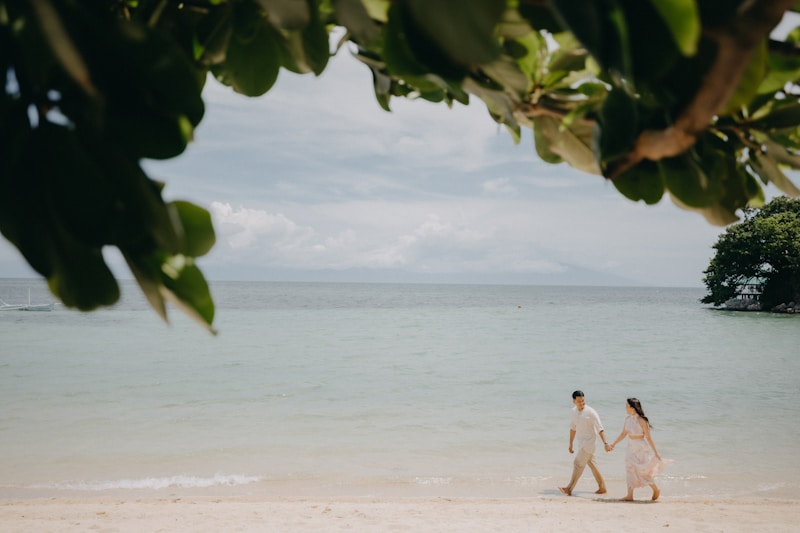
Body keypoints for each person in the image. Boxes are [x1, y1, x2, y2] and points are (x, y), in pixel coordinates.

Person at [607, 397, 666, 501]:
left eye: (627, 406)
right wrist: (613, 444)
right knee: (629, 469)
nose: (625, 408)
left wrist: (656, 452)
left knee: (642, 471)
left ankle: (656, 489)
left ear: (633, 408)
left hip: (641, 448)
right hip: (630, 446)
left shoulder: (642, 420)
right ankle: (630, 495)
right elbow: (623, 434)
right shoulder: (627, 419)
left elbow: (648, 437)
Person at [559, 390, 609, 496]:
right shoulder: (573, 412)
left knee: (577, 464)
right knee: (592, 464)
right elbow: (573, 428)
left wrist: (605, 443)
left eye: (583, 401)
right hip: (581, 443)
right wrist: (570, 443)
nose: (581, 403)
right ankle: (603, 487)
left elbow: (600, 428)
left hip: (589, 443)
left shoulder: (591, 412)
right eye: (579, 401)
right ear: (574, 401)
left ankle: (569, 488)